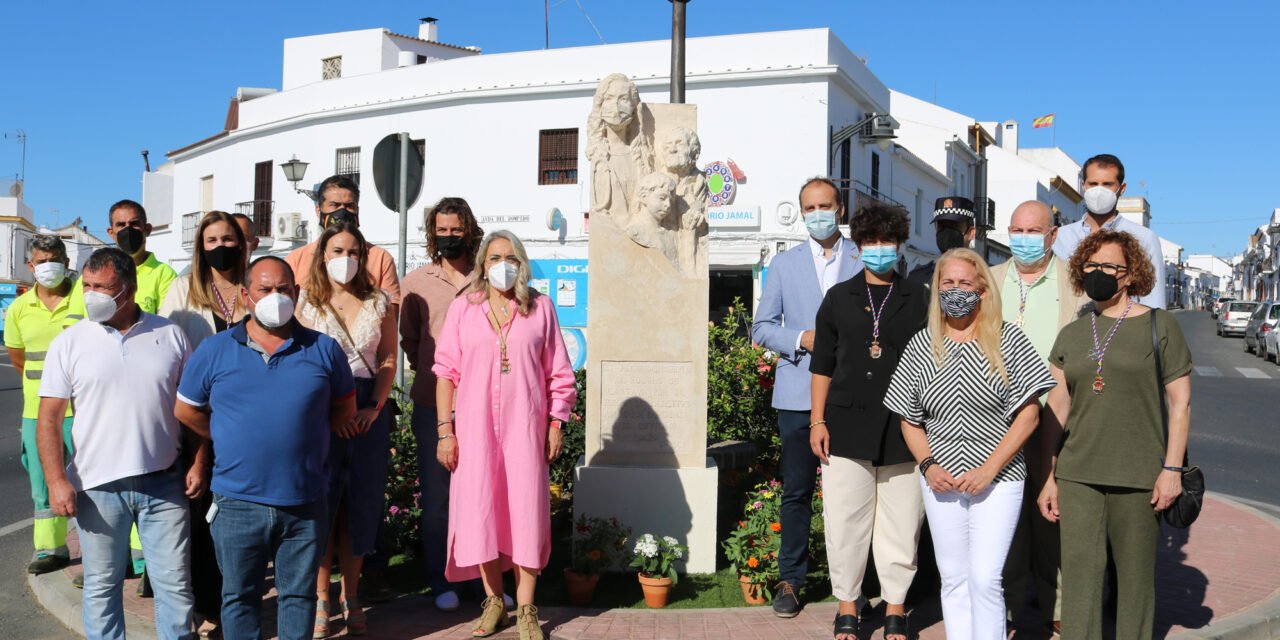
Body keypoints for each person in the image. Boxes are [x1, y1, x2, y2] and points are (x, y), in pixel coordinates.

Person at [174, 256, 357, 640]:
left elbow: (344, 409)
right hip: (237, 502)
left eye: (284, 290)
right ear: (246, 295)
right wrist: (222, 433)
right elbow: (185, 410)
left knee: (298, 597)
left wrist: (305, 434)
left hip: (304, 501)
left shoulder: (324, 350)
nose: (276, 297)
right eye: (265, 289)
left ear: (297, 292)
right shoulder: (214, 350)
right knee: (239, 598)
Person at [884, 248, 1054, 639]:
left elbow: (1030, 414)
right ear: (936, 289)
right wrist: (928, 466)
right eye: (947, 283)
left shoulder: (1008, 340)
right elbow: (909, 420)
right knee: (954, 578)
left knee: (985, 577)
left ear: (982, 289)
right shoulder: (922, 345)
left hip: (999, 480)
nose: (955, 290)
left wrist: (990, 469)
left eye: (964, 283)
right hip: (940, 481)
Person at [1038, 230, 1192, 639]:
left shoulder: (1161, 327)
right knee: (1079, 582)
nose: (1098, 274)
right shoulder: (1073, 333)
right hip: (1078, 474)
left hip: (1140, 475)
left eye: (1109, 267)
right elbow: (1058, 407)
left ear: (1130, 275)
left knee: (1135, 583)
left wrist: (1171, 469)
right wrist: (1049, 475)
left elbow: (1180, 404)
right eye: (1091, 266)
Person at [37, 247, 195, 640]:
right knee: (102, 586)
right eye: (87, 285)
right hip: (96, 487)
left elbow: (193, 409)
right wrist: (57, 480)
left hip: (164, 483)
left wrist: (199, 461)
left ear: (130, 288)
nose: (93, 295)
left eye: (103, 287)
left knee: (174, 586)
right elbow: (49, 418)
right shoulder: (70, 342)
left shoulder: (170, 334)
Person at [432, 230, 576, 640]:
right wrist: (446, 431)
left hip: (525, 431)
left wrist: (556, 423)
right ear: (482, 263)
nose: (502, 265)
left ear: (523, 263)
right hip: (474, 432)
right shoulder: (464, 309)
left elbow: (560, 375)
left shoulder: (541, 309)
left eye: (510, 257)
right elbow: (446, 372)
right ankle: (495, 601)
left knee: (527, 513)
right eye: (494, 258)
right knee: (481, 513)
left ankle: (528, 607)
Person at [808, 204, 927, 640]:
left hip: (905, 428)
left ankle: (895, 608)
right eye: (871, 242)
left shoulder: (920, 298)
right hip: (844, 425)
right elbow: (821, 364)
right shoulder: (839, 298)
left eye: (887, 242)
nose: (880, 249)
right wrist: (817, 421)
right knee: (845, 522)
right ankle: (848, 607)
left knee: (901, 523)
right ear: (858, 248)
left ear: (899, 246)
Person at [749, 177, 862, 617]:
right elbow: (761, 327)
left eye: (825, 205)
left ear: (840, 208)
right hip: (796, 395)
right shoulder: (784, 264)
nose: (818, 213)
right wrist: (801, 337)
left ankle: (853, 587)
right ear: (802, 212)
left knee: (851, 496)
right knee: (796, 492)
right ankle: (790, 581)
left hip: (850, 396)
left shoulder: (862, 258)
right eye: (810, 207)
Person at [991, 201, 1091, 632]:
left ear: (1052, 235)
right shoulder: (990, 280)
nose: (1024, 238)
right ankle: (1013, 606)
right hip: (997, 420)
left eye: (1034, 231)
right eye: (1016, 230)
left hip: (1058, 417)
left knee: (1055, 516)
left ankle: (1059, 612)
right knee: (1005, 519)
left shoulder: (1077, 284)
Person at [295, 222, 397, 638]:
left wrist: (373, 407)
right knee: (322, 506)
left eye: (354, 252)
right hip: (319, 410)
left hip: (368, 408)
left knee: (361, 502)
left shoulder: (379, 302)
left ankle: (350, 594)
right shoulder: (306, 302)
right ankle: (321, 597)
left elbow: (389, 358)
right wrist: (328, 412)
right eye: (338, 251)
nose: (346, 260)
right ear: (322, 255)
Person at [159, 210, 248, 638]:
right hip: (198, 418)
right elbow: (167, 354)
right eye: (211, 240)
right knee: (198, 512)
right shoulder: (183, 290)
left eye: (227, 238)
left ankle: (232, 601)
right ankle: (204, 603)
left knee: (238, 514)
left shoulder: (255, 287)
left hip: (249, 417)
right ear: (200, 247)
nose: (220, 247)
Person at [400, 197, 485, 612]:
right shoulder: (416, 282)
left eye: (456, 229)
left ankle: (479, 578)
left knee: (480, 495)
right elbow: (410, 343)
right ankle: (440, 579)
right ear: (431, 233)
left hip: (484, 405)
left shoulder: (487, 278)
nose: (448, 237)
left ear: (468, 229)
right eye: (441, 230)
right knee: (436, 500)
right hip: (432, 406)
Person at [5, 235, 81, 575]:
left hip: (84, 410)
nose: (47, 266)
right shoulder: (20, 308)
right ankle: (51, 549)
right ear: (30, 266)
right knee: (43, 487)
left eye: (54, 259)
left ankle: (116, 556)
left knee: (97, 486)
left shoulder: (85, 296)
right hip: (38, 413)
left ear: (65, 262)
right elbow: (19, 359)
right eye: (40, 260)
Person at [1052, 154, 1167, 309]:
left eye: (1107, 184)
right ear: (1083, 185)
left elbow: (1154, 299)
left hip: (1123, 327)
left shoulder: (1144, 238)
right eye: (1093, 184)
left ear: (1122, 189)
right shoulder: (1060, 237)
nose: (1099, 191)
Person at [285, 175, 401, 308]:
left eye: (349, 206)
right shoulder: (296, 259)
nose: (342, 212)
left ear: (357, 210)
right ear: (318, 210)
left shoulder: (380, 259)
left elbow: (391, 314)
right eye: (334, 205)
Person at [102, 199, 179, 313]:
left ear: (147, 229)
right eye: (121, 224)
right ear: (111, 233)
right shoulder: (96, 273)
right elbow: (74, 324)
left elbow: (167, 324)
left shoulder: (165, 274)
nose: (128, 229)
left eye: (134, 224)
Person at [908, 197, 977, 287]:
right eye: (942, 225)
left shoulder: (982, 277)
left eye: (954, 225)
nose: (947, 231)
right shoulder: (918, 278)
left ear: (971, 233)